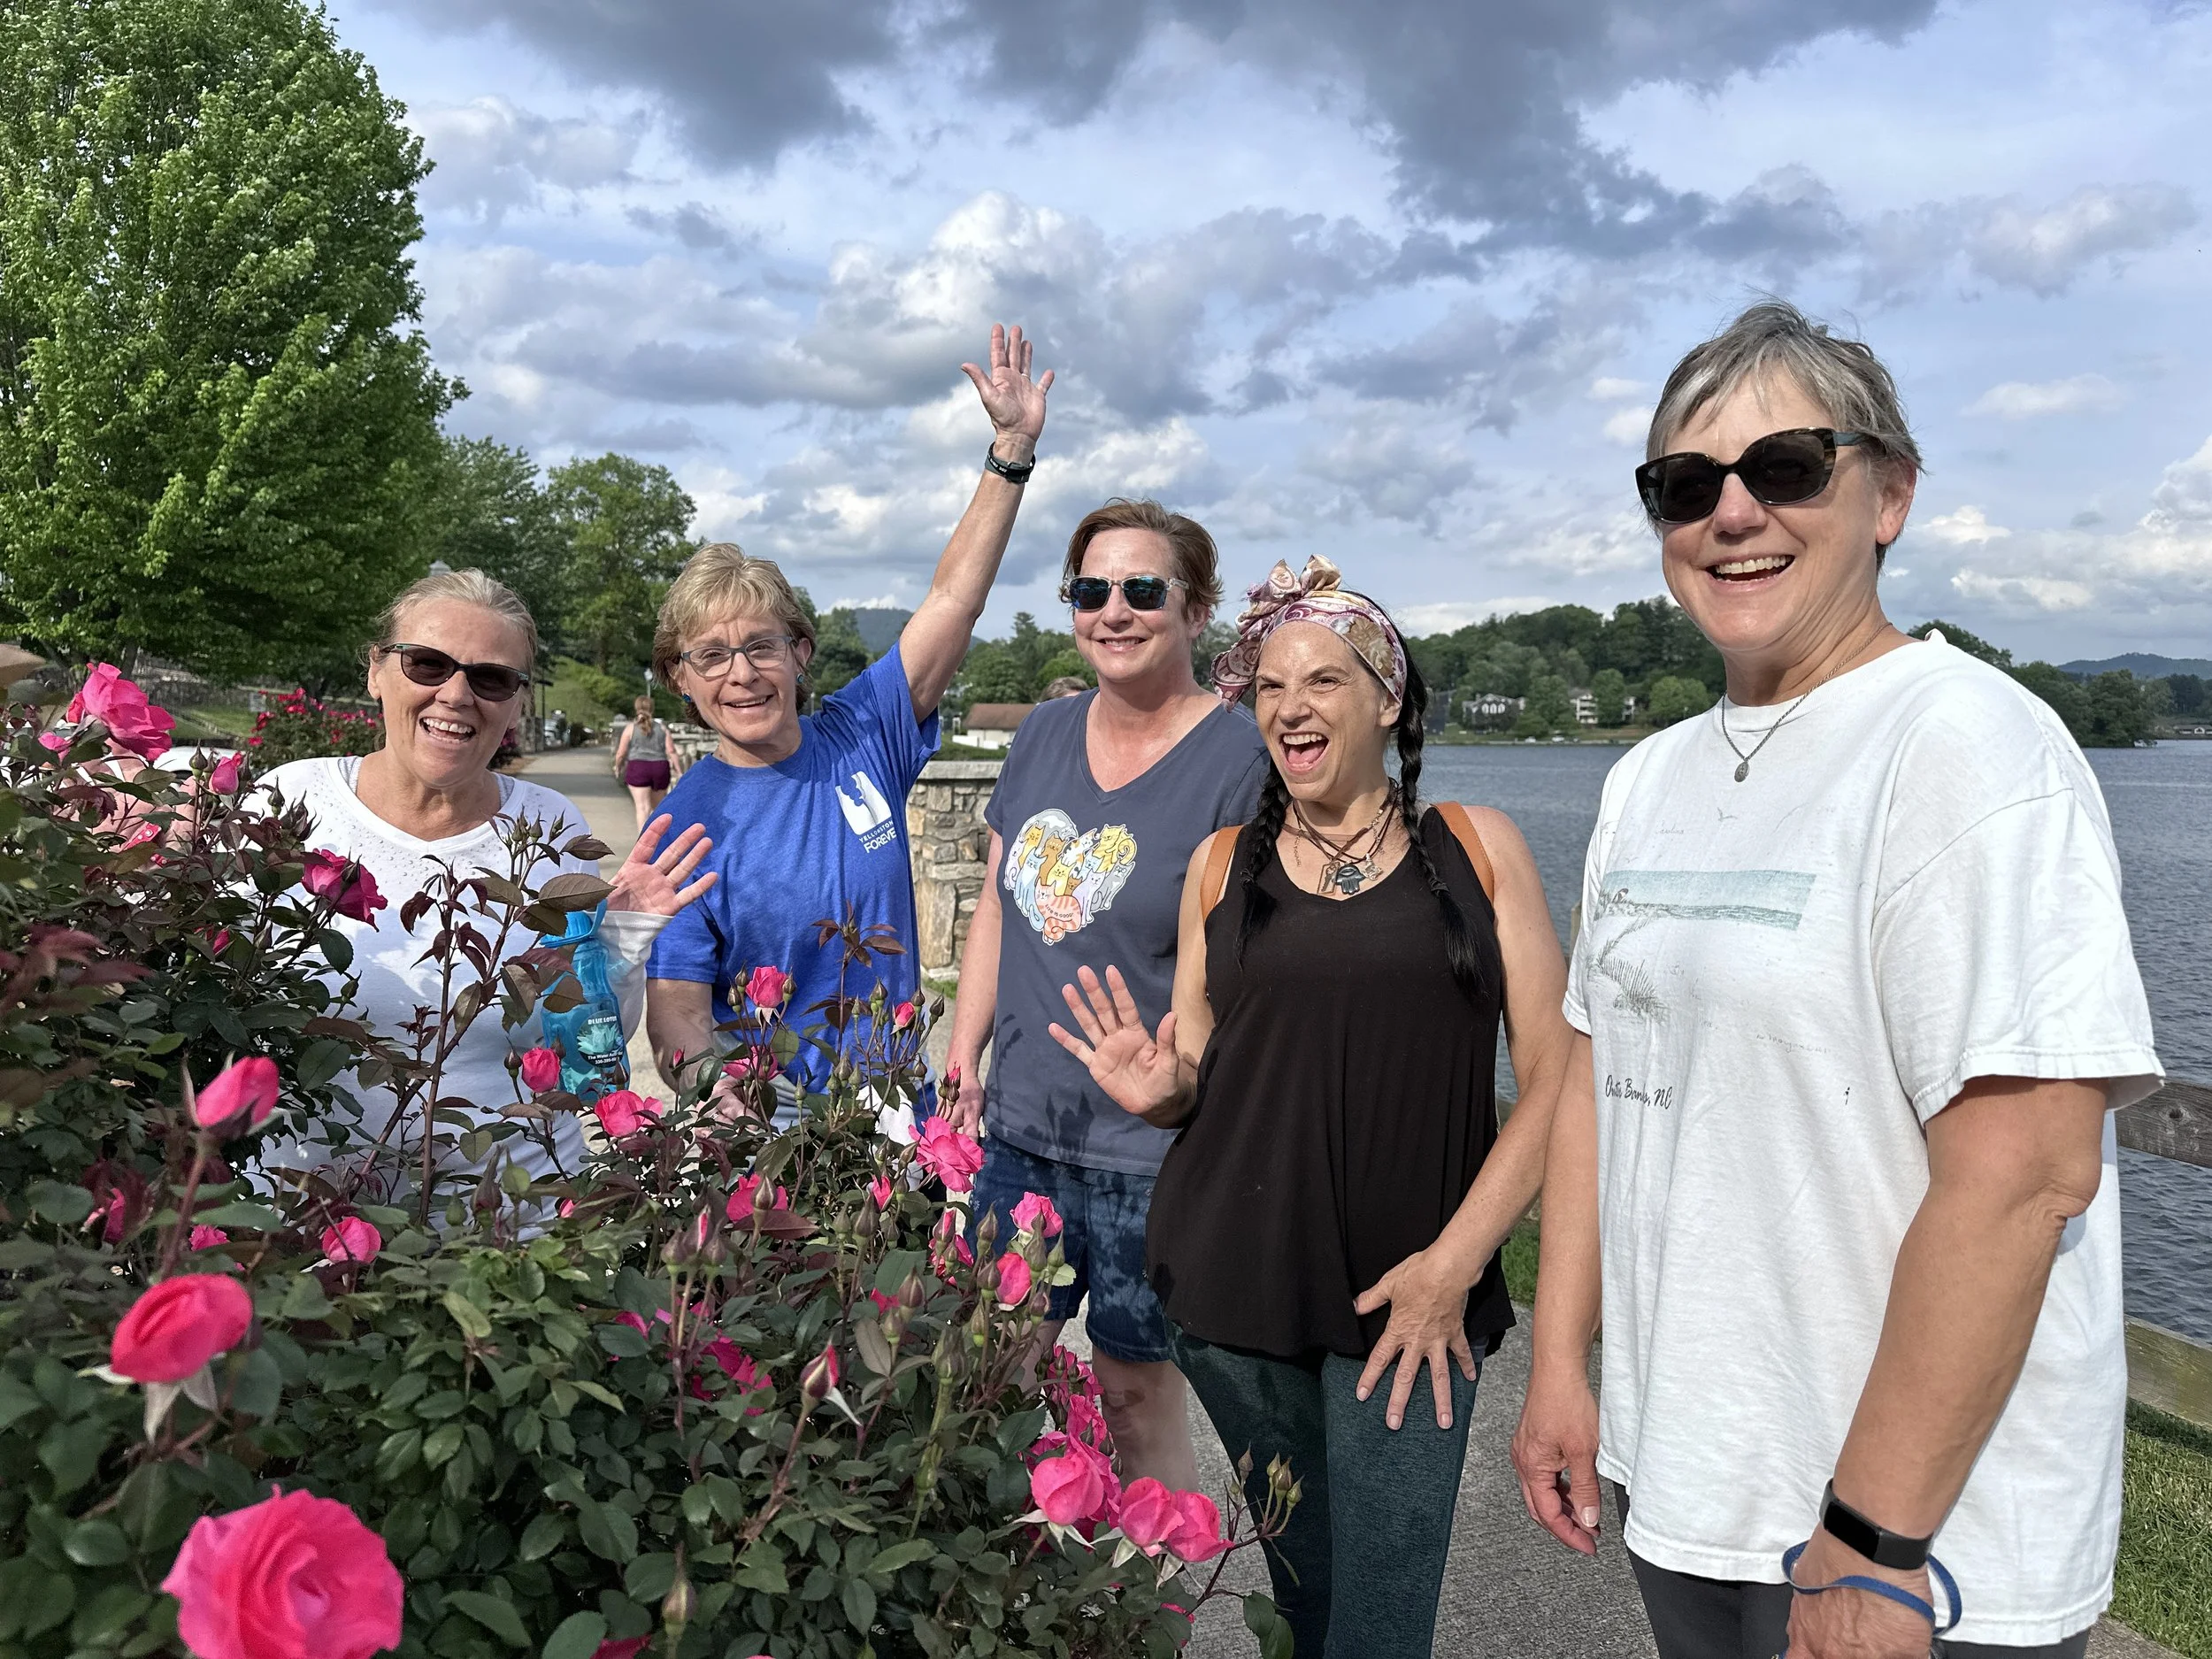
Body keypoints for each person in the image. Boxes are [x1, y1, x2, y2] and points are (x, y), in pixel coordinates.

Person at [1509, 301, 2162, 1659]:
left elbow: (2029, 1169)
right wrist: (1564, 1364)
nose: (1733, 512)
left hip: (1915, 1549)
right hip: (1695, 1485)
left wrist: (1870, 1541)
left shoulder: (1970, 747)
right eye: (1686, 486)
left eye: (1788, 466)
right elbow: (1595, 1090)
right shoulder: (1645, 782)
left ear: (1891, 493)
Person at [1049, 557, 1575, 1659]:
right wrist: (1160, 1092)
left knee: (1381, 1626)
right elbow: (1194, 1063)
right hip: (1233, 1290)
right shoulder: (1219, 865)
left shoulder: (1478, 850)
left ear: (1386, 700)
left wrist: (1454, 1267)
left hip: (1414, 1304)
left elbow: (1557, 1076)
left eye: (1325, 681)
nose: (1291, 706)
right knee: (1305, 1605)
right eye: (1270, 688)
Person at [644, 324, 1051, 1120]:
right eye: (712, 655)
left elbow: (952, 602)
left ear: (801, 653)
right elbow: (678, 1006)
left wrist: (1010, 451)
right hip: (773, 1115)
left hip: (899, 1103)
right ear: (678, 678)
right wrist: (713, 1085)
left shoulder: (863, 731)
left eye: (761, 645)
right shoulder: (682, 826)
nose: (741, 673)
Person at [946, 500, 1268, 1488]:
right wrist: (963, 1056)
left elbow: (1245, 963)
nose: (1114, 611)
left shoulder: (1240, 756)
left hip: (1151, 1148)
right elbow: (999, 908)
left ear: (1196, 611)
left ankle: (1150, 1623)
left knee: (1133, 1399)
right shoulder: (1042, 734)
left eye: (1143, 590)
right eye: (1091, 591)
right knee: (990, 1382)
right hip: (1022, 1126)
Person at [260, 568, 718, 1190]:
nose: (456, 693)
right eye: (426, 662)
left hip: (503, 1228)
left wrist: (621, 944)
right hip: (305, 1221)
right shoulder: (287, 801)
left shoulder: (551, 827)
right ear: (376, 670)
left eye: (492, 677)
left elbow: (585, 1041)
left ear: (516, 700)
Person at [613, 694, 679, 833]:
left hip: (638, 768)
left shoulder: (631, 728)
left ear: (636, 708)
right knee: (658, 808)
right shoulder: (662, 728)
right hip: (660, 767)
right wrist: (679, 771)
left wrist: (618, 767)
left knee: (643, 808)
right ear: (652, 709)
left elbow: (621, 753)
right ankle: (660, 841)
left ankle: (643, 844)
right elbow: (671, 750)